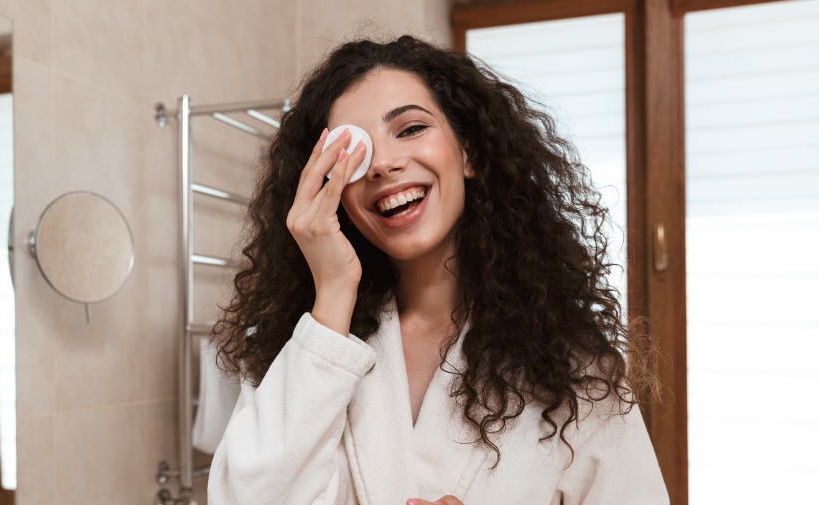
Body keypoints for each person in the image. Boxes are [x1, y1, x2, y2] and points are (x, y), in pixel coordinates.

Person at [207, 35, 669, 505]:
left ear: (469, 153)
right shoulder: (296, 351)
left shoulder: (574, 368)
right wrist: (333, 291)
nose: (382, 164)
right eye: (354, 152)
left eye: (410, 129)